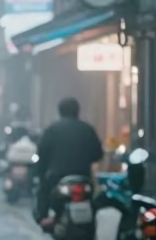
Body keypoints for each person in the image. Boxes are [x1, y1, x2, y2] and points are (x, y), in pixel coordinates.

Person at [34, 96, 104, 225]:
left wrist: (41, 173)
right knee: (93, 198)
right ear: (77, 111)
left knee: (43, 190)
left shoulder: (51, 130)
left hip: (57, 177)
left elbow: (42, 154)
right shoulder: (87, 129)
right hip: (83, 176)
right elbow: (98, 154)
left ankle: (43, 217)